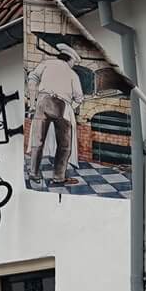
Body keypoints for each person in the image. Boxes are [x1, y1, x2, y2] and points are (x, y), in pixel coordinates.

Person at [28, 44, 85, 186]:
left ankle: (34, 173)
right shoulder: (72, 74)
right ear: (70, 59)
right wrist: (71, 108)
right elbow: (79, 98)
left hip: (43, 101)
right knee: (64, 145)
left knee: (37, 141)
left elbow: (32, 78)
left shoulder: (46, 64)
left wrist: (32, 101)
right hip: (62, 105)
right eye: (73, 62)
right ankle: (58, 177)